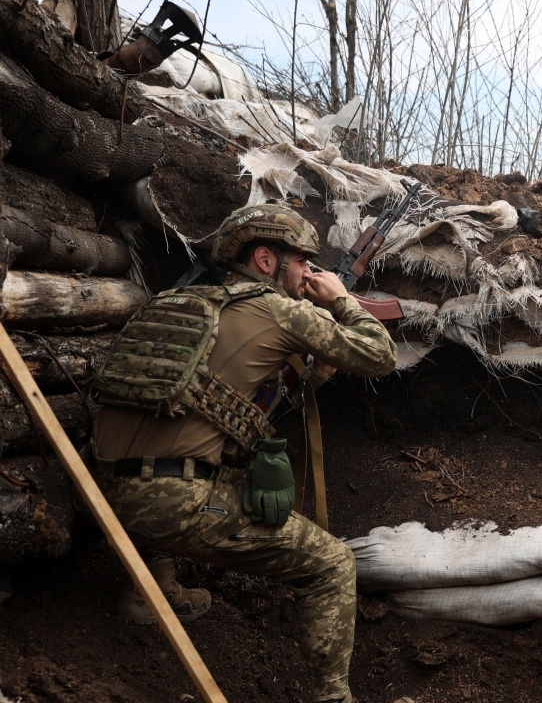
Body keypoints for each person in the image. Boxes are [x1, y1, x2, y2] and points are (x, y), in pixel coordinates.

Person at [90, 204, 398, 703]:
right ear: (264, 259)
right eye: (303, 262)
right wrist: (342, 300)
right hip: (172, 506)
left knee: (227, 472)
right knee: (334, 564)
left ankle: (152, 589)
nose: (310, 275)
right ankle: (333, 699)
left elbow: (218, 410)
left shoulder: (174, 303)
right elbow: (379, 355)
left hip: (103, 494)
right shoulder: (278, 310)